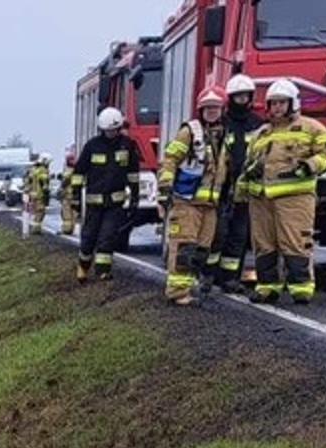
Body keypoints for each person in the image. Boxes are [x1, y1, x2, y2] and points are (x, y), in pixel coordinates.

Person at [242, 78, 326, 305]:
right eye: (273, 103)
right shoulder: (261, 133)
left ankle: (301, 288)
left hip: (294, 197)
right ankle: (267, 287)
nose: (277, 108)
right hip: (261, 199)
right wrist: (248, 177)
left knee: (295, 241)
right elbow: (249, 163)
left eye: (282, 103)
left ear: (293, 103)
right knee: (264, 244)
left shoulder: (311, 128)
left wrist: (309, 166)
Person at [157, 87, 229, 305]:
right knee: (183, 246)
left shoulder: (225, 134)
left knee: (201, 249)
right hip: (186, 201)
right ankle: (177, 292)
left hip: (209, 204)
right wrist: (165, 189)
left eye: (215, 108)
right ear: (200, 110)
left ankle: (187, 287)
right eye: (207, 108)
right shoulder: (190, 132)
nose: (211, 112)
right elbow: (170, 160)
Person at [208, 74, 264, 294]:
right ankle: (208, 275)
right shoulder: (221, 123)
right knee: (217, 234)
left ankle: (230, 278)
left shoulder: (258, 124)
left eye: (245, 96)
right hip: (221, 188)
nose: (241, 100)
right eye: (237, 96)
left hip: (246, 188)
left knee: (239, 236)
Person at [74, 107, 143, 283]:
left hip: (115, 204)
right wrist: (75, 197)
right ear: (102, 129)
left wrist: (135, 197)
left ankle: (103, 272)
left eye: (114, 130)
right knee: (88, 238)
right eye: (107, 130)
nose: (110, 133)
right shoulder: (92, 146)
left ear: (119, 128)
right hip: (93, 204)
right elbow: (79, 172)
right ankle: (83, 266)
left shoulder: (127, 145)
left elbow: (133, 174)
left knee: (107, 237)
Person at [59, 147, 82, 236]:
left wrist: (62, 188)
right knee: (74, 214)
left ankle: (67, 230)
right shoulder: (80, 171)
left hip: (68, 195)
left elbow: (65, 182)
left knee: (67, 214)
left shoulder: (68, 171)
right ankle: (71, 229)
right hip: (77, 196)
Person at [26, 154, 53, 225]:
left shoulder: (33, 169)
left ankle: (35, 226)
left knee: (36, 211)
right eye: (48, 162)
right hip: (40, 194)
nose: (49, 164)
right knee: (40, 211)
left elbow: (28, 181)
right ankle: (36, 228)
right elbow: (44, 183)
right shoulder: (42, 170)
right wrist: (47, 192)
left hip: (33, 194)